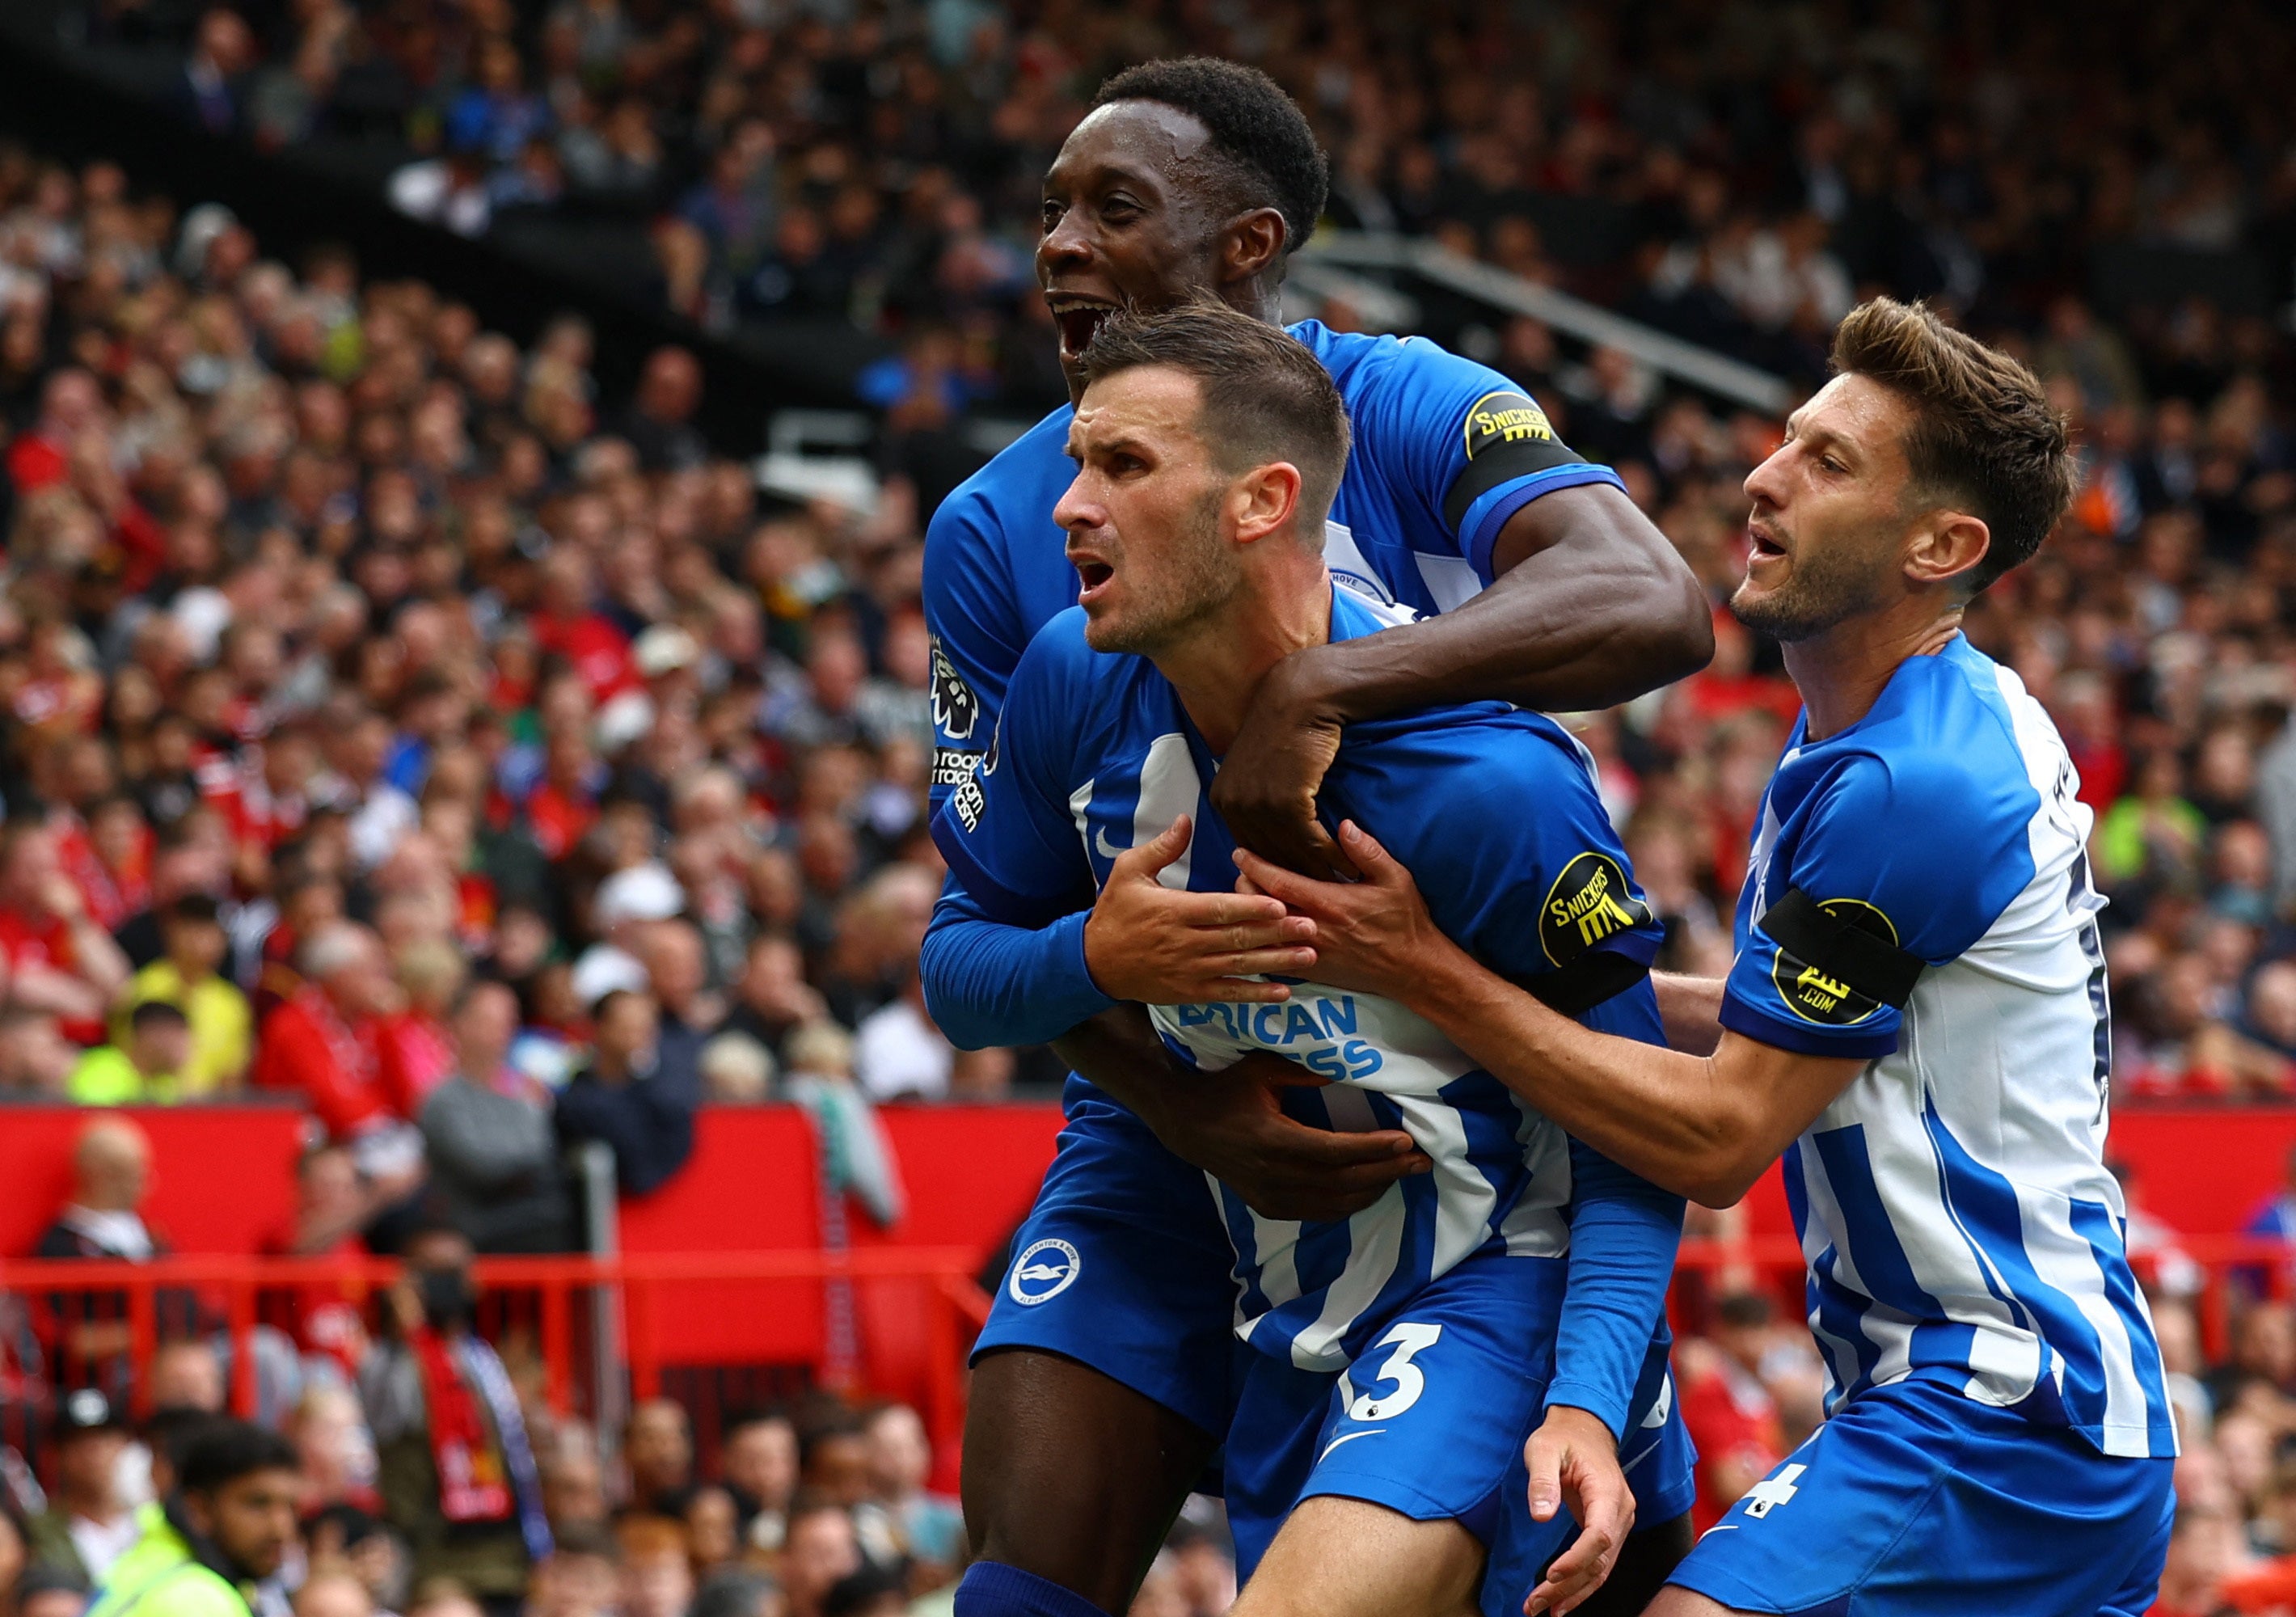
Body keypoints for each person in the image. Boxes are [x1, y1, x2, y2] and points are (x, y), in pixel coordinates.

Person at [1239, 299, 2179, 1616]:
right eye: (1789, 439)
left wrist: (1426, 972)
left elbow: (1719, 1139)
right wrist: (1468, 959)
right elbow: (1759, 1038)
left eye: (1828, 462)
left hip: (2007, 1413)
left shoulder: (1916, 781)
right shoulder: (1880, 726)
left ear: (1943, 545)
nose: (1763, 477)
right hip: (2004, 1412)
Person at [920, 58, 1709, 1617]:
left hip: (1438, 1119)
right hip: (1171, 1110)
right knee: (1019, 1584)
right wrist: (1170, 1090)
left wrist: (1318, 691)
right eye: (1051, 210)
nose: (1059, 244)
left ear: (1246, 247)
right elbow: (978, 927)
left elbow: (1651, 603)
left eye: (1113, 207)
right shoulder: (999, 534)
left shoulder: (1406, 401)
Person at [358, 1221, 552, 1607]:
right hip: (435, 1561)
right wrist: (405, 1332)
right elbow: (385, 1417)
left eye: (454, 1271)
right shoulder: (390, 1361)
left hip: (506, 1554)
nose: (444, 1283)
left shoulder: (484, 1359)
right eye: (430, 1272)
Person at [418, 981, 574, 1253]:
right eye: (490, 1020)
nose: (503, 1030)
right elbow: (483, 1165)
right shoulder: (443, 1099)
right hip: (476, 1224)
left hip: (531, 1215)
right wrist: (533, 1162)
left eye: (508, 1020)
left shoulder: (523, 1091)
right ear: (460, 1024)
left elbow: (544, 1147)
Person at [86, 1421, 299, 1617]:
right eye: (258, 1504)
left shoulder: (147, 1565)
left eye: (291, 1507)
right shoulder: (196, 1603)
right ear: (200, 1509)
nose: (280, 1528)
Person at [554, 990, 698, 1197]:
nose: (637, 1034)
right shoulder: (574, 1102)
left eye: (644, 1026)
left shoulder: (662, 1095)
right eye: (627, 1026)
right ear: (599, 1027)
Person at [116, 895, 252, 1096]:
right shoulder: (144, 989)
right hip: (150, 1107)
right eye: (192, 929)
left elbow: (233, 1078)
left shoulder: (232, 1003)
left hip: (208, 1114)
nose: (201, 941)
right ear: (172, 932)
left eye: (209, 931)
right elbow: (127, 1061)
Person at [26, 1389, 137, 1585]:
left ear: (123, 1444)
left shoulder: (150, 1520)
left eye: (103, 1438)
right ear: (57, 1455)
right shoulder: (35, 1532)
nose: (93, 1452)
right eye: (78, 1441)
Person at [69, 1002, 193, 1106]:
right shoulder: (102, 1070)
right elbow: (93, 1116)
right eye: (179, 1039)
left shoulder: (166, 1085)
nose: (186, 1049)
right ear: (151, 1035)